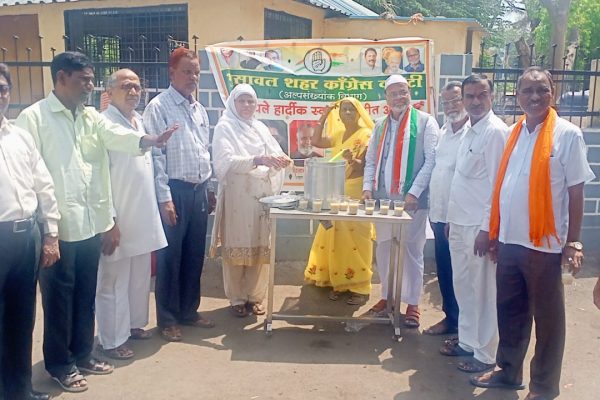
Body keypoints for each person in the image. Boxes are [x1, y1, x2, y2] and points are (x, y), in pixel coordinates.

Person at [15, 52, 175, 393]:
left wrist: (147, 140)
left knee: (85, 296)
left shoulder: (90, 117)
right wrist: (48, 231)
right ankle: (61, 364)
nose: (90, 86)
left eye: (91, 79)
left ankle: (82, 353)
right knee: (59, 300)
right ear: (61, 78)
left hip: (92, 224)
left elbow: (116, 135)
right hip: (59, 228)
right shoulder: (34, 118)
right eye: (83, 79)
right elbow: (29, 176)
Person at [471, 67, 595, 400]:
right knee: (510, 311)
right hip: (510, 241)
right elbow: (503, 187)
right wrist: (495, 232)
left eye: (542, 90)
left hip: (545, 245)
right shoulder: (514, 133)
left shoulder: (567, 135)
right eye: (527, 90)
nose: (535, 97)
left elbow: (576, 191)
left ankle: (543, 387)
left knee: (548, 319)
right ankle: (508, 371)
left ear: (553, 92)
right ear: (518, 95)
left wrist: (573, 242)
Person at [143, 47, 216, 342]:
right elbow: (156, 156)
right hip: (174, 191)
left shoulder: (199, 109)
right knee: (170, 258)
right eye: (187, 71)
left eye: (196, 72)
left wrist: (209, 188)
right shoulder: (158, 107)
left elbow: (204, 151)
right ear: (172, 73)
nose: (193, 77)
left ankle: (189, 311)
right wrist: (165, 198)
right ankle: (168, 319)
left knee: (194, 254)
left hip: (198, 191)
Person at [95, 69, 168, 360]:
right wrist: (109, 220)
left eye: (137, 86)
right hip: (118, 217)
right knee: (113, 280)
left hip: (142, 214)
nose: (134, 92)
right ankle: (112, 339)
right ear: (109, 92)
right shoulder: (103, 123)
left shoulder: (139, 120)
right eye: (126, 86)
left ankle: (135, 324)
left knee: (139, 275)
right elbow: (99, 177)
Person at [440, 74, 507, 374]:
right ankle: (468, 341)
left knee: (483, 292)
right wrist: (451, 219)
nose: (476, 102)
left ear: (492, 96)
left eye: (482, 95)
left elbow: (497, 186)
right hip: (459, 222)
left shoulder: (495, 132)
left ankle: (486, 354)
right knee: (464, 286)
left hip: (478, 228)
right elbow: (461, 179)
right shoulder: (469, 129)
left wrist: (487, 229)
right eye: (470, 96)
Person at [0, 63, 59, 400]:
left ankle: (20, 391)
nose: (0, 95)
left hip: (27, 238)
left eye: (3, 89)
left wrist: (50, 234)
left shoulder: (20, 137)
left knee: (22, 319)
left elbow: (44, 185)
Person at [363, 74, 439, 327]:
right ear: (386, 97)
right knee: (384, 249)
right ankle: (388, 297)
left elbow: (431, 160)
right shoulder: (380, 125)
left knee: (412, 250)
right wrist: (367, 188)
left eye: (403, 92)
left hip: (413, 203)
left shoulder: (426, 122)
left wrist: (414, 192)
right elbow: (371, 160)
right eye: (393, 93)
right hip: (384, 201)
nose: (399, 97)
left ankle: (413, 303)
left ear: (410, 94)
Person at [210, 84, 290, 317]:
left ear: (256, 104)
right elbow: (225, 162)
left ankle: (255, 297)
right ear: (233, 103)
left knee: (259, 246)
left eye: (250, 101)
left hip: (260, 197)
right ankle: (237, 298)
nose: (246, 105)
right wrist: (258, 160)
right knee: (236, 246)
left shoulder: (260, 128)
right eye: (242, 101)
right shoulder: (225, 127)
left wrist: (280, 161)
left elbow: (275, 152)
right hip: (237, 197)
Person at [303, 98, 375, 305]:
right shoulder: (338, 134)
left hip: (356, 191)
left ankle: (359, 287)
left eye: (352, 109)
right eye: (344, 110)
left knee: (356, 239)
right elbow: (316, 142)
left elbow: (366, 166)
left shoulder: (367, 135)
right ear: (339, 114)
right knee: (335, 236)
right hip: (336, 191)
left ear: (359, 112)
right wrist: (325, 115)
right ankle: (339, 282)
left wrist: (352, 159)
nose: (348, 113)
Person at [424, 81, 469, 336]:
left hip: (461, 218)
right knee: (445, 269)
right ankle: (451, 319)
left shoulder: (474, 133)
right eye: (447, 102)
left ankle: (466, 327)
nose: (451, 106)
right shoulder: (444, 131)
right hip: (439, 215)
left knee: (463, 273)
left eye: (456, 100)